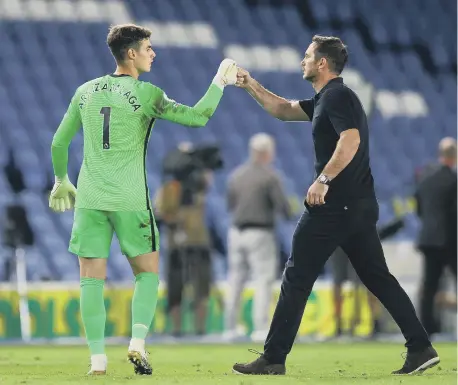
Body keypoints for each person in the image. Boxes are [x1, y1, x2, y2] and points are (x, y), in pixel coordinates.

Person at [231, 35, 438, 375]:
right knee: (378, 277)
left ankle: (273, 358)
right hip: (357, 204)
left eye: (307, 55)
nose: (302, 61)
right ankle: (420, 346)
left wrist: (322, 180)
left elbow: (351, 138)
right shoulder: (327, 98)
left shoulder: (338, 96)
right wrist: (250, 84)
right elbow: (282, 110)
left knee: (296, 275)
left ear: (322, 63)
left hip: (334, 205)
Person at [48, 24, 237, 375]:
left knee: (91, 280)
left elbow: (59, 143)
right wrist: (220, 82)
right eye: (148, 48)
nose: (153, 53)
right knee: (147, 274)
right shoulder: (147, 93)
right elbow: (198, 117)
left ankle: (98, 361)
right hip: (130, 199)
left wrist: (62, 181)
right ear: (131, 54)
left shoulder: (85, 91)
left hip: (89, 198)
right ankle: (137, 343)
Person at [224, 133, 292, 342]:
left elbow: (230, 205)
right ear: (266, 153)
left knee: (235, 280)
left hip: (236, 232)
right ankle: (260, 328)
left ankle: (230, 328)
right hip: (260, 233)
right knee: (263, 280)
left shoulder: (236, 175)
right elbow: (283, 207)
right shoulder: (270, 177)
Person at [415, 137, 457, 336]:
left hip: (428, 239)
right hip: (450, 240)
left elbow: (419, 207)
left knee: (429, 286)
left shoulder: (425, 176)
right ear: (454, 156)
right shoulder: (453, 179)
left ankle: (426, 329)